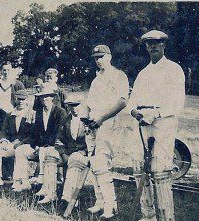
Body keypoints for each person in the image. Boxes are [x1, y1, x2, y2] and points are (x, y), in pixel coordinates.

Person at [128, 30, 185, 221]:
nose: (153, 46)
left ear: (164, 45)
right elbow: (132, 100)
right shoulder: (143, 73)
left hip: (163, 122)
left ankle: (167, 217)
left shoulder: (174, 69)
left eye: (157, 43)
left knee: (160, 171)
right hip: (142, 123)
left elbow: (177, 103)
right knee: (139, 168)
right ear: (145, 46)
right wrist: (135, 112)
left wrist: (155, 114)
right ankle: (148, 216)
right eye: (149, 43)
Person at [85, 44, 129, 219]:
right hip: (93, 125)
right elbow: (89, 104)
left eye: (101, 57)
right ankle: (100, 201)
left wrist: (102, 118)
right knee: (94, 164)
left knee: (102, 164)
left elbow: (123, 101)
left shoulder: (118, 76)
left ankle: (111, 206)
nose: (98, 61)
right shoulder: (96, 79)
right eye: (96, 58)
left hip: (109, 124)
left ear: (109, 56)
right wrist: (87, 120)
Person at [36, 96, 88, 204]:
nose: (74, 109)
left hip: (82, 153)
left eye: (76, 105)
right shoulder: (65, 119)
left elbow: (92, 141)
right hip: (66, 152)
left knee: (74, 159)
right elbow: (58, 139)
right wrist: (63, 153)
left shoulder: (87, 120)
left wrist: (83, 151)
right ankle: (51, 194)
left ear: (81, 105)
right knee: (50, 154)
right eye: (71, 106)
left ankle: (69, 197)